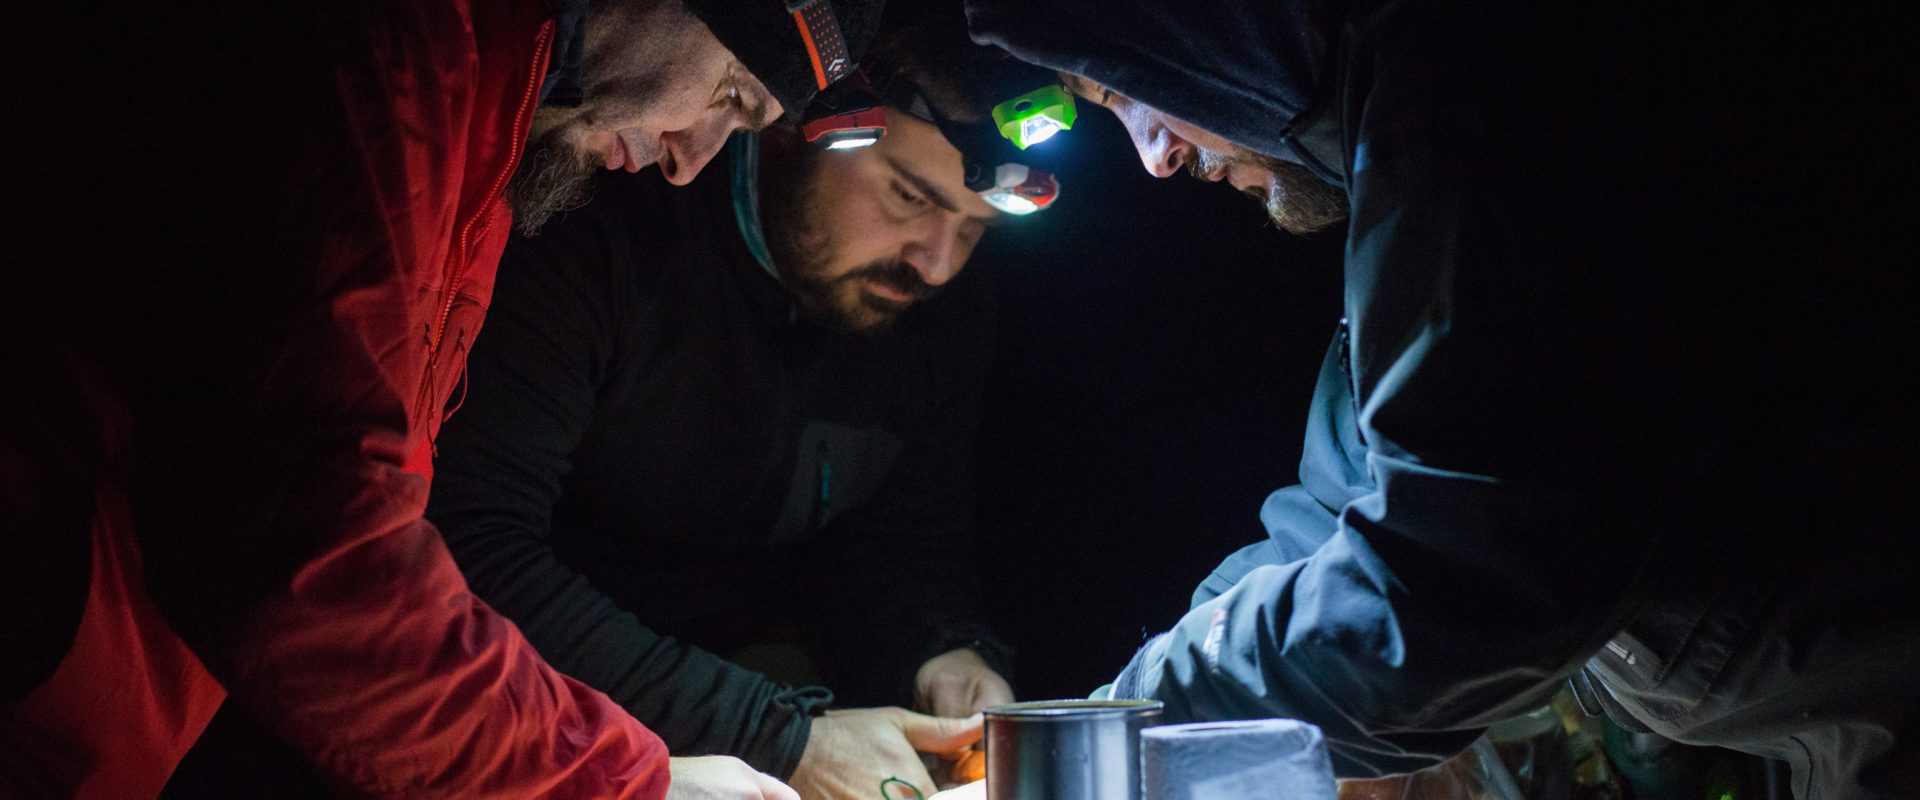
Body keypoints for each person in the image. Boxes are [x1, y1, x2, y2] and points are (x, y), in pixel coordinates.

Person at [963, 0, 1920, 797]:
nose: (1154, 155)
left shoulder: (1483, 75)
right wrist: (1105, 725)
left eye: (1127, 85)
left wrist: (1125, 743)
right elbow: (1343, 515)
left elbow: (1462, 569)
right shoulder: (1405, 148)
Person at [0, 0, 881, 796]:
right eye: (729, 89)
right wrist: (626, 785)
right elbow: (313, 565)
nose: (691, 159)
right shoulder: (402, 53)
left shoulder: (489, 128)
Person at [424, 28, 1029, 800]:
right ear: (798, 125)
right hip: (543, 715)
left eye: (978, 229)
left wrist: (943, 654)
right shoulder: (603, 227)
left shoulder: (937, 312)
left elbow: (900, 539)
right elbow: (472, 549)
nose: (937, 261)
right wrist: (774, 735)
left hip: (767, 697)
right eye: (909, 197)